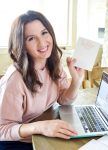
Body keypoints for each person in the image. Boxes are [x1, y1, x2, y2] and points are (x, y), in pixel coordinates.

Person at [0, 10, 84, 150]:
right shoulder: (15, 79)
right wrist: (41, 127)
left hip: (40, 131)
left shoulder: (53, 64)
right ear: (22, 45)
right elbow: (3, 130)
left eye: (44, 33)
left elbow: (63, 100)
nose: (42, 43)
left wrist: (76, 80)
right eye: (31, 38)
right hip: (14, 141)